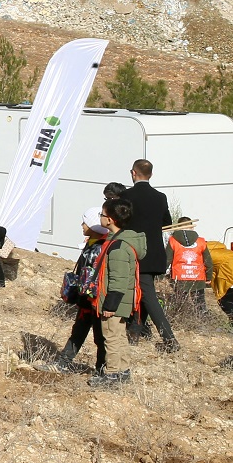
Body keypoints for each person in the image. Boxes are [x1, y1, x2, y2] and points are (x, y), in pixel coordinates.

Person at [121, 159, 177, 351]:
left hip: (135, 251)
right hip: (155, 254)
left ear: (133, 173)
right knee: (144, 293)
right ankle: (135, 331)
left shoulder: (126, 195)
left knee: (147, 295)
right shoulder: (160, 197)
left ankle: (170, 339)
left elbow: (121, 222)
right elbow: (167, 222)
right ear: (150, 175)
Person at [90, 197, 145, 388]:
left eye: (102, 215)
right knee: (120, 335)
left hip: (114, 300)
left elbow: (119, 280)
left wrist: (110, 304)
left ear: (110, 220)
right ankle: (123, 371)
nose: (101, 218)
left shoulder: (119, 247)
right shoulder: (120, 241)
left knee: (111, 336)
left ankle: (112, 375)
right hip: (121, 300)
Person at [52, 208, 112, 373]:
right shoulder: (91, 242)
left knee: (100, 337)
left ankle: (101, 370)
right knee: (78, 331)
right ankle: (63, 363)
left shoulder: (104, 245)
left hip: (96, 299)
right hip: (85, 298)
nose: (82, 225)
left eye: (85, 222)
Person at [166, 218, 212, 312]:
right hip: (198, 276)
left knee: (181, 304)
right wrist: (208, 277)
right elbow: (208, 261)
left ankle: (181, 322)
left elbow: (167, 260)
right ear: (192, 227)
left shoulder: (173, 240)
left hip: (179, 277)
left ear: (178, 227)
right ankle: (202, 323)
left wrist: (160, 274)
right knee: (200, 304)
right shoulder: (201, 241)